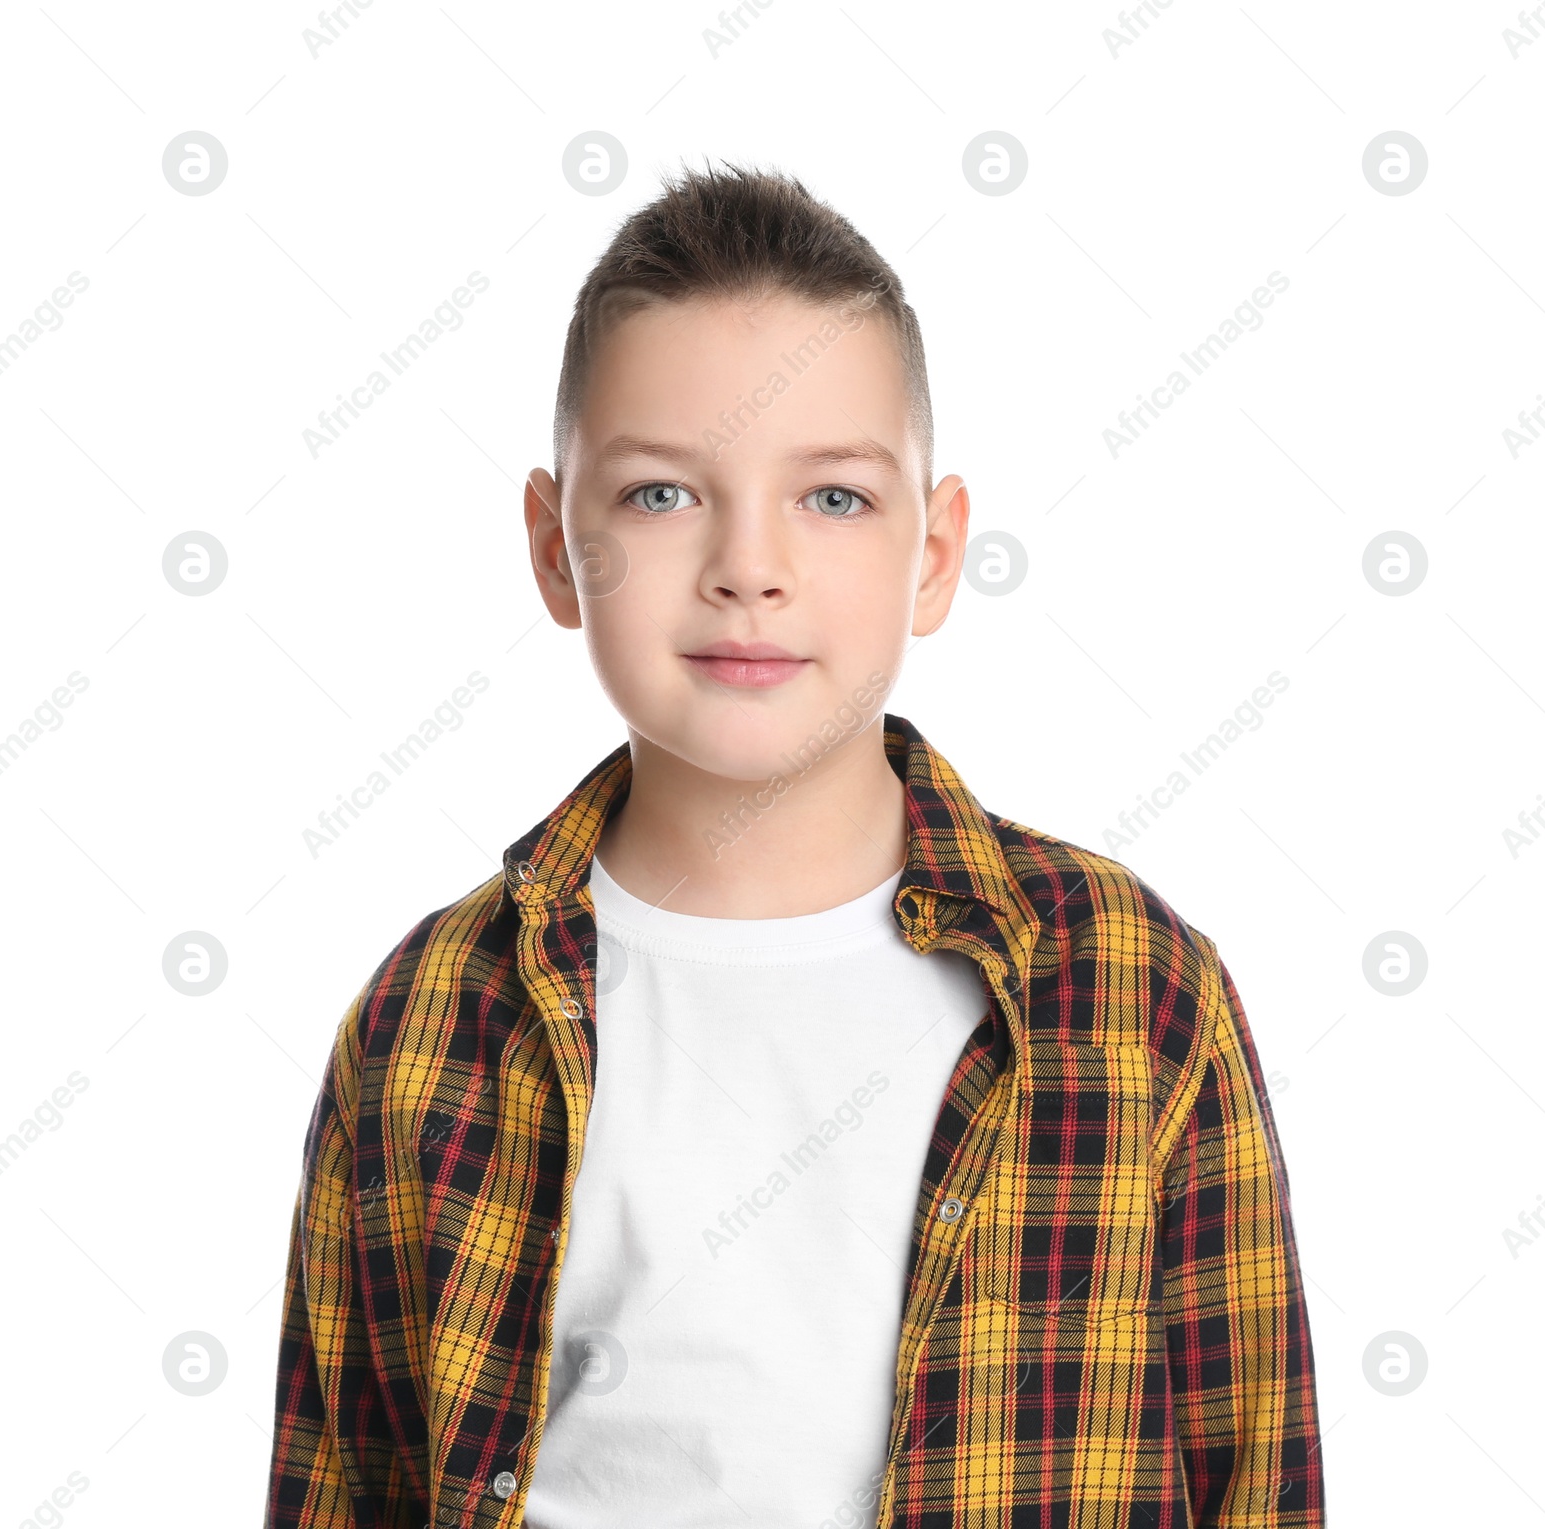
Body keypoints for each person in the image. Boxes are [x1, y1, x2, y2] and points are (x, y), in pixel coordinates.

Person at [265, 160, 1325, 1528]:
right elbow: (340, 1486)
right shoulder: (428, 1023)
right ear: (552, 545)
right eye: (661, 495)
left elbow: (1264, 1481)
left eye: (832, 498)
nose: (747, 566)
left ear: (934, 554)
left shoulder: (1132, 991)